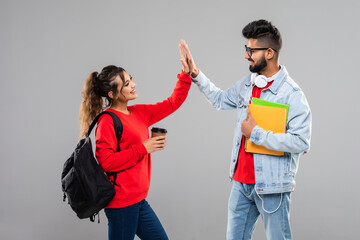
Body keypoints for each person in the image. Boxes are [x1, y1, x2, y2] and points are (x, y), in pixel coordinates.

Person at [180, 19, 312, 240]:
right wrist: (195, 73)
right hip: (241, 185)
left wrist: (257, 133)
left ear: (269, 53)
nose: (246, 55)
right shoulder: (247, 84)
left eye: (251, 50)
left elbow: (301, 142)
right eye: (246, 49)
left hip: (272, 188)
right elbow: (220, 99)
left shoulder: (292, 94)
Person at [78, 43, 192, 240]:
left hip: (138, 200)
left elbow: (173, 102)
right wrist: (143, 148)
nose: (133, 85)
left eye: (131, 80)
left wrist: (185, 74)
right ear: (112, 94)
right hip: (121, 203)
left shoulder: (139, 113)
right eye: (127, 84)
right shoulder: (107, 121)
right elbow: (106, 162)